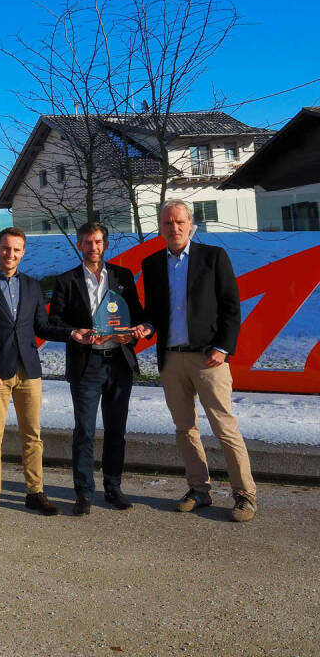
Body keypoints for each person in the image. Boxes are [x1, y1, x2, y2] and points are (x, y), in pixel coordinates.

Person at [140, 199, 256, 522]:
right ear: (160, 228)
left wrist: (223, 347)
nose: (174, 228)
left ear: (191, 225)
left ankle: (245, 495)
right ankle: (199, 489)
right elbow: (154, 313)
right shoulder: (152, 265)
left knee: (224, 428)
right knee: (185, 429)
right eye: (167, 223)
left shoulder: (213, 257)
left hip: (210, 360)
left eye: (179, 222)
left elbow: (232, 307)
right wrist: (146, 326)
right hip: (172, 361)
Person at [0, 227, 87, 518]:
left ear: (24, 252)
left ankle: (35, 493)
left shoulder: (32, 286)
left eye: (17, 249)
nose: (11, 254)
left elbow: (42, 327)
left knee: (33, 435)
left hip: (30, 372)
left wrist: (72, 333)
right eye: (6, 248)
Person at [49, 222, 146, 515]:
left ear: (105, 244)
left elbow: (137, 314)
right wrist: (76, 332)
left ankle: (113, 488)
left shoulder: (122, 276)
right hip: (86, 363)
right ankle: (84, 493)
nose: (94, 247)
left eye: (99, 242)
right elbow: (54, 322)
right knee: (85, 432)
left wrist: (136, 330)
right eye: (88, 242)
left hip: (118, 362)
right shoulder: (66, 280)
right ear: (80, 245)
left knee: (116, 430)